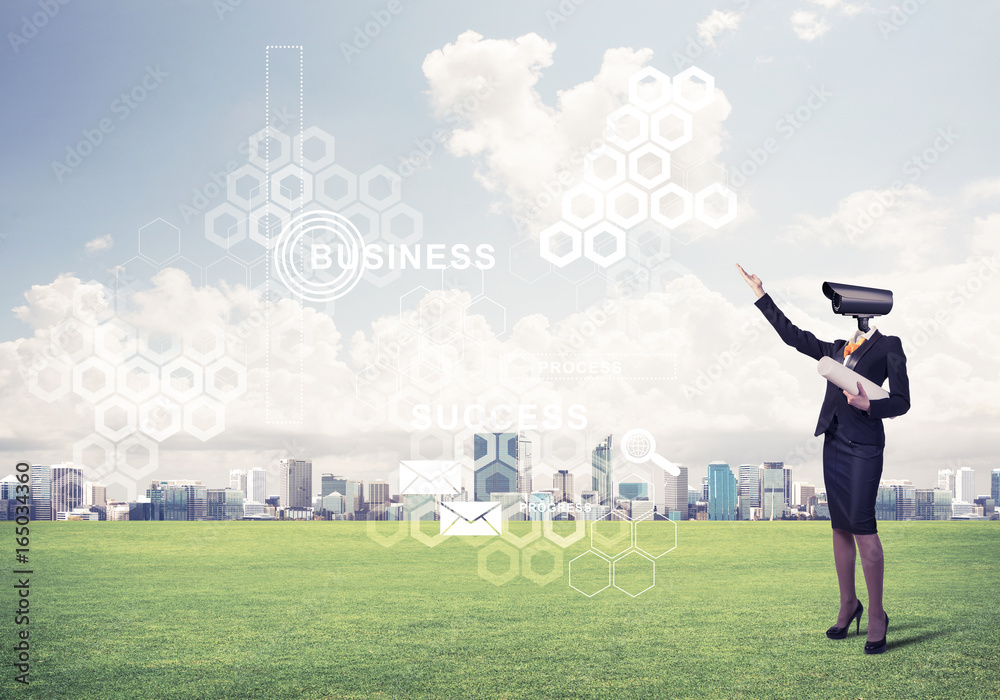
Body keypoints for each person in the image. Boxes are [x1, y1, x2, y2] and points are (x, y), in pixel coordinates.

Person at [736, 264, 910, 655]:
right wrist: (762, 295)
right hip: (834, 444)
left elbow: (902, 401)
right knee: (840, 528)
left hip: (864, 448)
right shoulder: (836, 348)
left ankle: (878, 615)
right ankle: (849, 603)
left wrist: (869, 405)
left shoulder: (890, 346)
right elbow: (793, 337)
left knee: (863, 529)